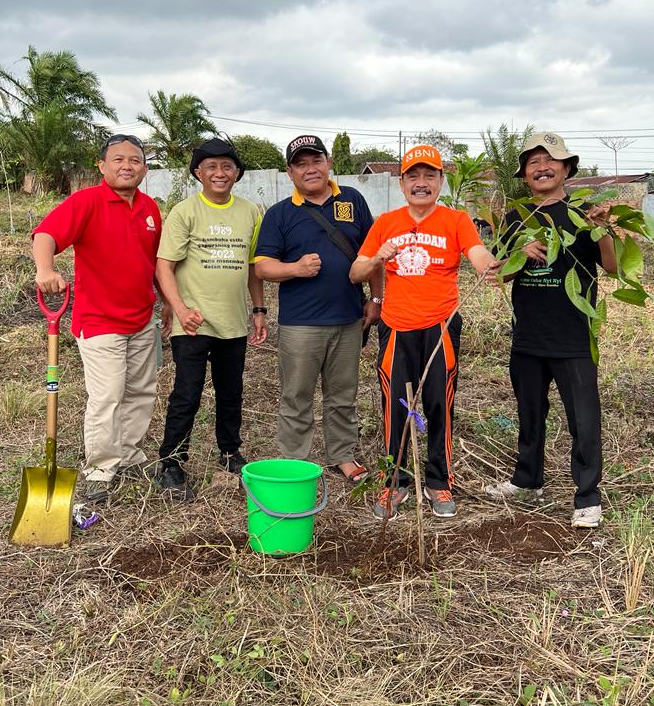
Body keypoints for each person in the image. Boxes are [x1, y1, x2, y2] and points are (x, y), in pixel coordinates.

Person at [350, 144, 498, 520]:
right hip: (397, 329)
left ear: (440, 181)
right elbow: (356, 272)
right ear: (401, 184)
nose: (421, 183)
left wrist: (487, 265)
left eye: (429, 175)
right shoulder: (385, 223)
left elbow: (476, 251)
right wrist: (379, 257)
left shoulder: (456, 220)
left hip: (441, 327)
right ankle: (393, 483)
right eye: (413, 176)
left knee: (439, 405)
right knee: (396, 408)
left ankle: (438, 480)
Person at [485, 131, 616, 528]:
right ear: (524, 174)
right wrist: (517, 253)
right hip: (528, 333)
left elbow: (610, 268)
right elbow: (499, 274)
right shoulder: (516, 218)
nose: (542, 167)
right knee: (529, 412)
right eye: (533, 163)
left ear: (566, 168)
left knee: (583, 418)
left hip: (573, 334)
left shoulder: (584, 212)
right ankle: (528, 481)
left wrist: (605, 230)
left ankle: (587, 497)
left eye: (550, 160)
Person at [32, 134, 162, 504]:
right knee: (107, 396)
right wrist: (45, 268)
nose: (126, 166)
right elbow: (46, 234)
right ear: (102, 166)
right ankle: (101, 467)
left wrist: (167, 304)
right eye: (118, 159)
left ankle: (131, 455)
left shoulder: (151, 209)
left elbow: (153, 265)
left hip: (141, 318)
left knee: (141, 392)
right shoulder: (86, 201)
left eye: (135, 160)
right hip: (100, 321)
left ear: (144, 168)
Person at [254, 135, 382, 482]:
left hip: (348, 320)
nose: (310, 169)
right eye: (301, 164)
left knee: (343, 394)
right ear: (290, 172)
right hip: (301, 325)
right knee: (296, 396)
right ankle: (295, 462)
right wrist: (295, 268)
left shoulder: (353, 201)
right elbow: (263, 266)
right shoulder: (281, 213)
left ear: (328, 163)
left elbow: (372, 255)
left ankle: (342, 454)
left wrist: (376, 298)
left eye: (316, 161)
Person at [155, 138, 267, 499]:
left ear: (237, 173)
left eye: (227, 167)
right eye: (211, 167)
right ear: (198, 173)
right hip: (192, 322)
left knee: (231, 391)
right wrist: (180, 309)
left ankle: (230, 452)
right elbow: (164, 267)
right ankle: (172, 461)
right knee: (187, 393)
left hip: (232, 321)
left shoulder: (250, 212)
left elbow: (253, 267)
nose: (220, 173)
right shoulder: (185, 212)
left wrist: (259, 309)